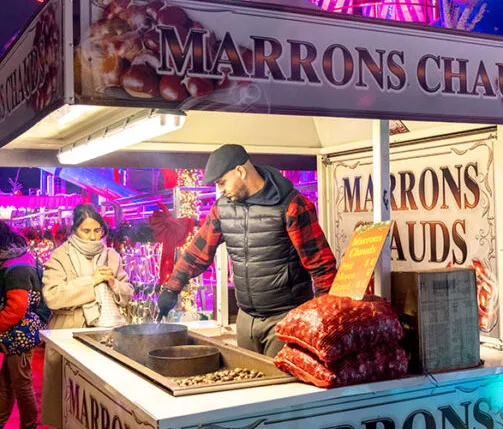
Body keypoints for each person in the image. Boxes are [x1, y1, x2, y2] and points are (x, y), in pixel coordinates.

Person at [156, 145, 337, 356]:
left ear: (241, 171)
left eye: (222, 182)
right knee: (250, 382)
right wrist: (171, 289)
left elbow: (321, 265)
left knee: (279, 386)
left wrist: (322, 318)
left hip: (286, 318)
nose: (221, 189)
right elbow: (198, 253)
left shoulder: (292, 205)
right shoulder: (221, 209)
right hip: (246, 319)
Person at [42, 204, 134, 330]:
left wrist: (114, 284)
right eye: (86, 231)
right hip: (70, 332)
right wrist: (91, 281)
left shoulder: (111, 255)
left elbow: (128, 293)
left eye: (97, 231)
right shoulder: (60, 256)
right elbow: (52, 297)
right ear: (75, 230)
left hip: (111, 330)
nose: (92, 237)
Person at [0, 220, 46, 429]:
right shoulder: (19, 258)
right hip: (16, 335)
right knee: (9, 384)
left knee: (21, 385)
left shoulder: (14, 267)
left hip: (18, 335)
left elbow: (15, 309)